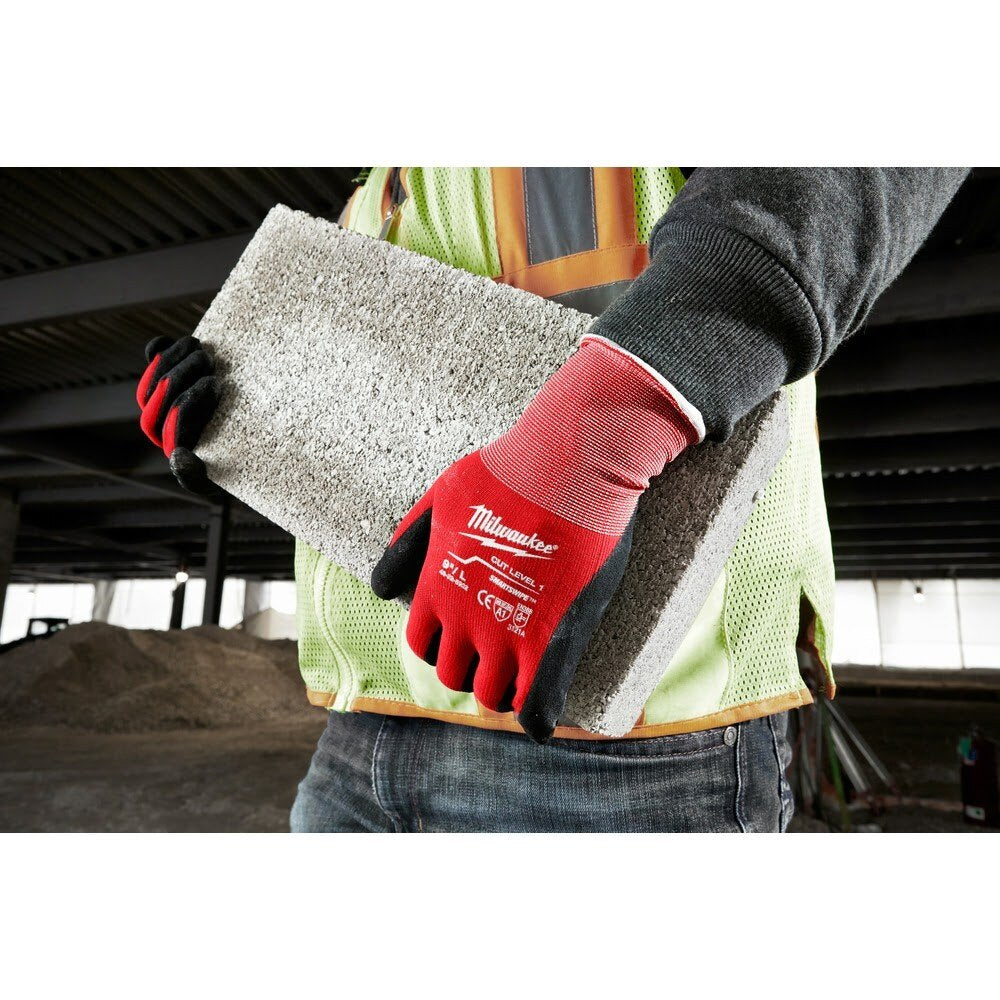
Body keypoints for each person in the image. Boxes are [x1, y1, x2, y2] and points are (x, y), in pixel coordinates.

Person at [137, 167, 968, 832]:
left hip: (631, 747)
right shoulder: (387, 180)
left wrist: (601, 431)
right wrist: (246, 412)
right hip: (361, 728)